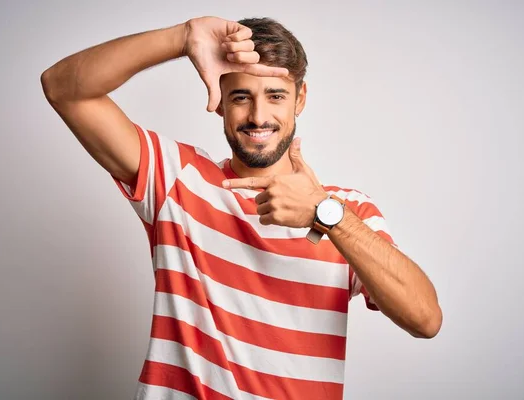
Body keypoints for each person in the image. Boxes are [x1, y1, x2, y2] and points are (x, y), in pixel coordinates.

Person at [41, 15, 442, 400]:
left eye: (276, 96)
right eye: (240, 97)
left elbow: (425, 319)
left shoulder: (347, 209)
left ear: (300, 99)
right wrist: (182, 38)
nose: (258, 116)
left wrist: (324, 212)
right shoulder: (177, 179)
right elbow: (62, 87)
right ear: (218, 101)